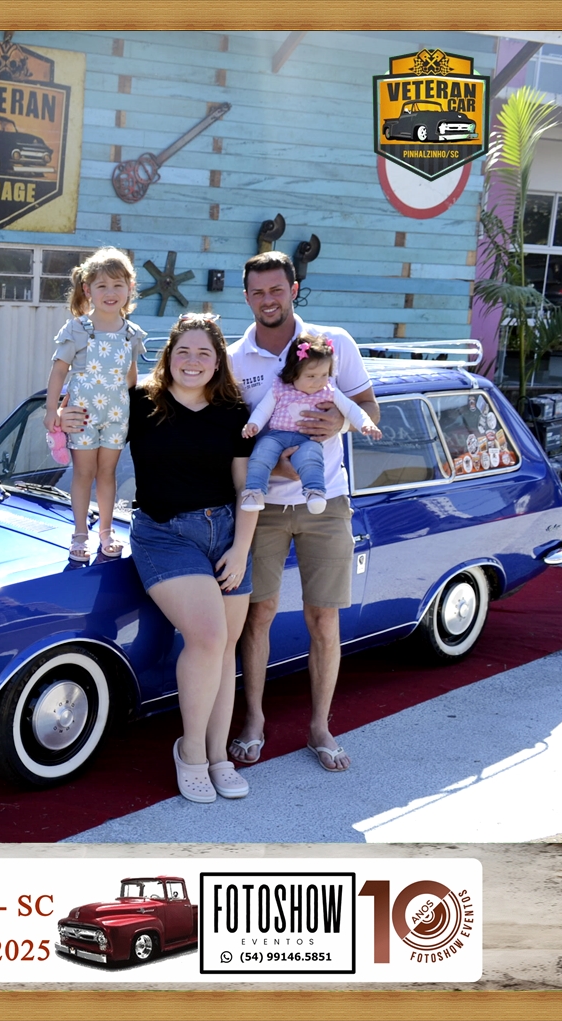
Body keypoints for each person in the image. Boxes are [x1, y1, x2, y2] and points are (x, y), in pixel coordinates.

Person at [225, 251, 380, 773]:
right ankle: (253, 720)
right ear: (246, 297)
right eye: (257, 292)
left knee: (323, 616)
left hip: (326, 501)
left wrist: (338, 422)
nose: (267, 299)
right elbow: (227, 433)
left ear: (294, 289)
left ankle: (320, 727)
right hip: (262, 507)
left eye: (277, 289)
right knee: (258, 614)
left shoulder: (333, 343)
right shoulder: (235, 359)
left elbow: (368, 408)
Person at [96, 311, 258, 803]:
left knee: (225, 647)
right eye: (183, 351)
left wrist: (241, 548)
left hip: (227, 533)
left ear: (218, 362)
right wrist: (68, 416)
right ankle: (190, 752)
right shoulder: (140, 404)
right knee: (208, 638)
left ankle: (218, 756)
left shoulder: (234, 411)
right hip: (164, 534)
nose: (192, 360)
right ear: (168, 356)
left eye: (203, 353)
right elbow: (90, 441)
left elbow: (246, 487)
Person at [44, 247, 148, 563]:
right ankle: (79, 533)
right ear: (88, 290)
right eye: (102, 285)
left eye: (118, 285)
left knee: (107, 473)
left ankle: (106, 531)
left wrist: (118, 401)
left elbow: (131, 379)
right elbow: (59, 370)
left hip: (116, 416)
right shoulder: (78, 329)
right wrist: (52, 410)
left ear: (130, 289)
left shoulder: (132, 334)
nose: (110, 292)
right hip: (82, 416)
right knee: (83, 473)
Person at [240, 332, 382, 514]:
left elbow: (352, 409)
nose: (318, 382)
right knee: (261, 454)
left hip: (307, 439)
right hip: (276, 436)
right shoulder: (279, 388)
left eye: (324, 375)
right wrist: (253, 425)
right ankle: (254, 492)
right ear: (294, 373)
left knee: (311, 459)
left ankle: (315, 493)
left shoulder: (329, 391)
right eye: (311, 376)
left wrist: (366, 424)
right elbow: (263, 410)